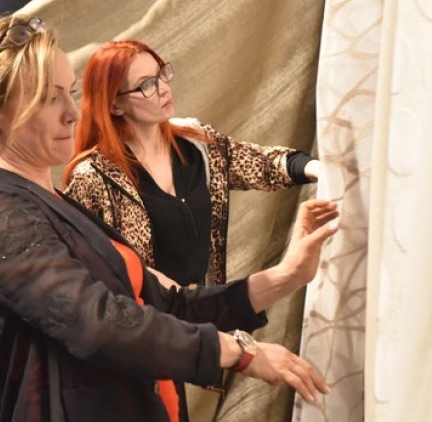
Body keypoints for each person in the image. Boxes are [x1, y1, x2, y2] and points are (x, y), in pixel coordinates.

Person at [0, 14, 338, 422]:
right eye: (47, 98)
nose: (72, 113)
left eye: (69, 93)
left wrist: (286, 276)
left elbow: (167, 305)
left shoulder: (54, 204)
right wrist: (237, 352)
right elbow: (98, 322)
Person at [63, 40, 324, 289]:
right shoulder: (92, 177)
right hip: (147, 317)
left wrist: (317, 169)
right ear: (115, 105)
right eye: (147, 85)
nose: (164, 88)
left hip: (208, 308)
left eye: (161, 74)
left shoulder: (197, 142)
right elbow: (82, 270)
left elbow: (263, 164)